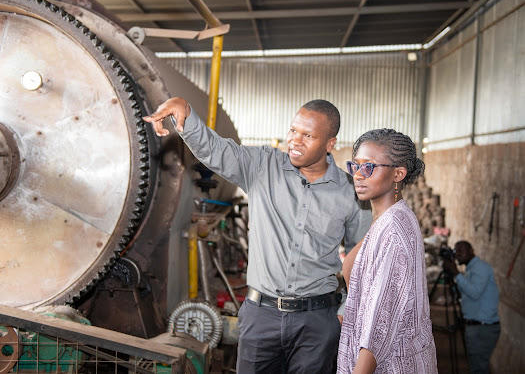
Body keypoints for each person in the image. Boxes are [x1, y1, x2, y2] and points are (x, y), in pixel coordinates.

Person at [143, 97, 371, 373]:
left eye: (307, 135)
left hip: (317, 321)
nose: (295, 141)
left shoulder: (349, 193)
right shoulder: (262, 165)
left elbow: (363, 257)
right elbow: (216, 151)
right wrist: (186, 114)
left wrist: (346, 310)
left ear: (330, 144)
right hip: (262, 316)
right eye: (293, 131)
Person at [337, 128, 438, 374]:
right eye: (355, 166)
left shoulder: (392, 231)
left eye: (369, 167)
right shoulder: (389, 219)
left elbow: (377, 331)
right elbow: (351, 269)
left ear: (398, 173)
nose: (358, 175)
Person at [443, 240, 500, 374]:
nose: (458, 254)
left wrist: (456, 274)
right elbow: (465, 295)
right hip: (476, 326)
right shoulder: (470, 270)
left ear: (472, 251)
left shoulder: (480, 268)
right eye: (456, 251)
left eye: (462, 250)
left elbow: (474, 293)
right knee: (477, 367)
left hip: (483, 328)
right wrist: (453, 280)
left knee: (479, 368)